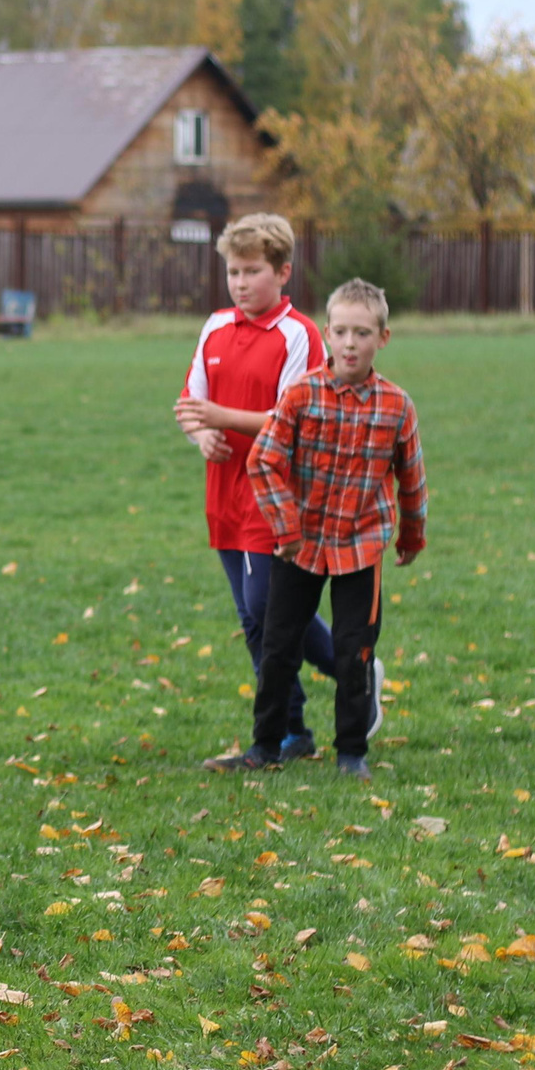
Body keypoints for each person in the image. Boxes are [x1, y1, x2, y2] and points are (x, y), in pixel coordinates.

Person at [215, 278, 426, 782]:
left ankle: (351, 752)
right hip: (300, 546)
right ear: (327, 334)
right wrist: (286, 529)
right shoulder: (301, 395)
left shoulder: (397, 406)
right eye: (341, 332)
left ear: (383, 338)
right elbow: (263, 462)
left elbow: (411, 478)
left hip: (361, 546)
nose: (351, 343)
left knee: (354, 650)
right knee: (278, 646)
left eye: (363, 333)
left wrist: (412, 535)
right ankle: (267, 744)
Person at [170, 213, 356, 762]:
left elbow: (293, 419)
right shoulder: (214, 327)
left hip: (275, 495)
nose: (240, 282)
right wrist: (201, 433)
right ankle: (293, 732)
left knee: (266, 610)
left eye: (252, 271)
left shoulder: (299, 334)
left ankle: (353, 671)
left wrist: (218, 414)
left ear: (282, 272)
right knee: (256, 619)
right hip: (223, 492)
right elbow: (189, 404)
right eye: (233, 271)